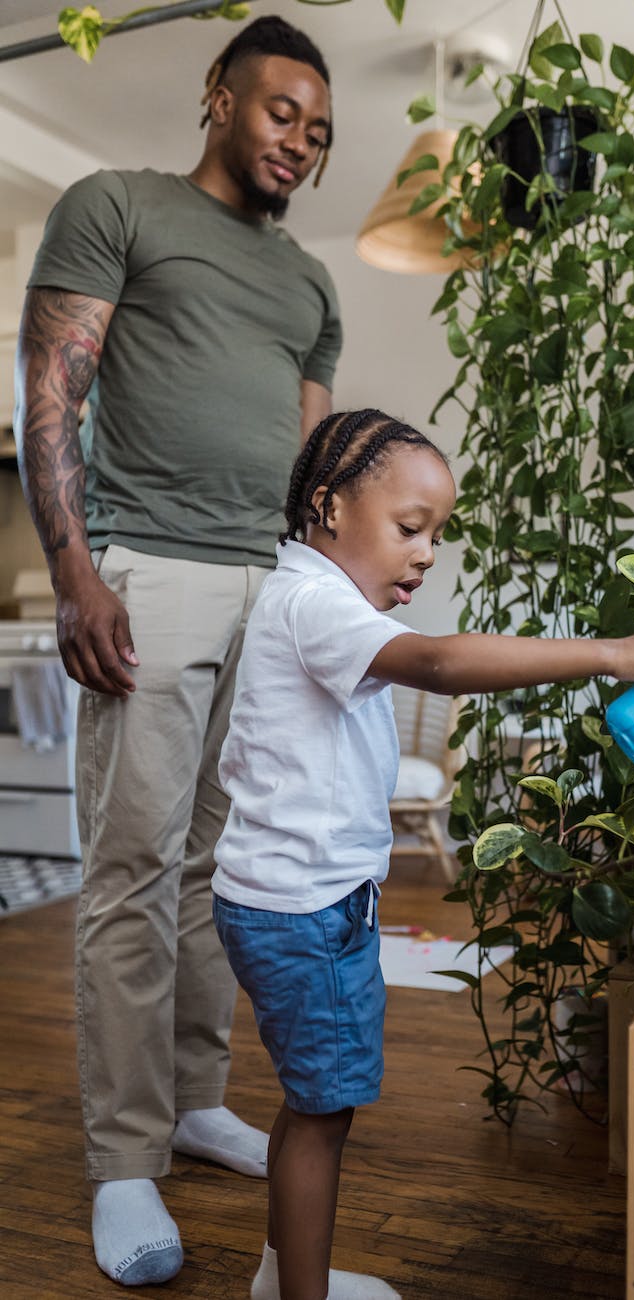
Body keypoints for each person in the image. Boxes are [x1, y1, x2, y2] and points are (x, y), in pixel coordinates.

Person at [211, 408, 634, 1300]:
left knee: (309, 1101)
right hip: (304, 912)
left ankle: (283, 1279)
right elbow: (439, 662)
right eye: (410, 528)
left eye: (435, 534)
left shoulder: (311, 598)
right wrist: (612, 654)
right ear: (326, 507)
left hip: (295, 900)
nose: (426, 552)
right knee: (324, 1113)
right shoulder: (314, 603)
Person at [13, 14, 342, 1288]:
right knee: (135, 864)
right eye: (280, 114)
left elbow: (313, 469)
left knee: (225, 862)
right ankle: (123, 1160)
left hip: (274, 592)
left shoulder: (311, 285)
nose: (299, 143)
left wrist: (327, 605)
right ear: (218, 96)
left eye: (318, 132)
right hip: (147, 570)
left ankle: (197, 1101)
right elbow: (55, 389)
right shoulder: (119, 207)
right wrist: (77, 571)